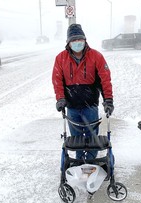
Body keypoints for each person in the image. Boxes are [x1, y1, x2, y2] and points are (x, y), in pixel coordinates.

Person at [52, 23, 114, 160]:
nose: (77, 42)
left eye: (79, 39)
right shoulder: (60, 58)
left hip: (90, 105)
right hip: (72, 107)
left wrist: (108, 100)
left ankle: (91, 162)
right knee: (76, 139)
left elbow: (105, 79)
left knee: (92, 138)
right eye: (73, 40)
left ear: (85, 40)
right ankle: (80, 162)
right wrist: (60, 99)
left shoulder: (96, 56)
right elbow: (57, 81)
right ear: (68, 43)